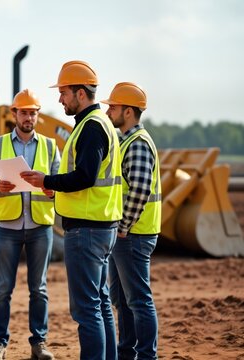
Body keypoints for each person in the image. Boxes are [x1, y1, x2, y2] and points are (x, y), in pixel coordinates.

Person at [21, 61, 123, 360]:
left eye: (64, 92)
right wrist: (55, 186)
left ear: (80, 93)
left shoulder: (91, 128)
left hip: (88, 229)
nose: (60, 99)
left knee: (86, 308)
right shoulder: (98, 124)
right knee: (100, 303)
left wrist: (47, 180)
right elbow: (88, 177)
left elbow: (86, 176)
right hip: (102, 225)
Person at [0, 89, 60, 360]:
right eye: (24, 112)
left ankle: (39, 343)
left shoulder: (49, 145)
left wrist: (51, 189)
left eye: (33, 112)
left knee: (39, 288)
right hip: (8, 227)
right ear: (14, 114)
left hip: (40, 226)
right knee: (3, 288)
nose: (29, 117)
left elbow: (60, 182)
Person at [101, 82, 161, 360]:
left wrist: (123, 227)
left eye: (112, 107)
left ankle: (146, 355)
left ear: (127, 111)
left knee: (138, 300)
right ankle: (126, 352)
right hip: (126, 234)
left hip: (133, 234)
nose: (108, 110)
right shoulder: (125, 141)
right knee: (122, 300)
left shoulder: (137, 144)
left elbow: (139, 190)